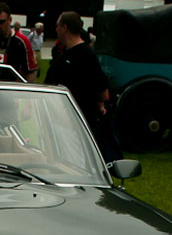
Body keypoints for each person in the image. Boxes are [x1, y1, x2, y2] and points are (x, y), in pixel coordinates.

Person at [46, 11, 121, 162]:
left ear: (65, 28)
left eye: (57, 26)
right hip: (60, 120)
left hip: (77, 124)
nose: (56, 29)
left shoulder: (86, 55)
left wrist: (98, 104)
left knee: (75, 162)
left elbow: (102, 90)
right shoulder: (64, 54)